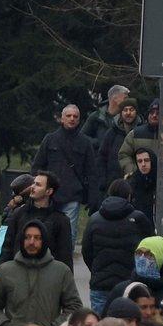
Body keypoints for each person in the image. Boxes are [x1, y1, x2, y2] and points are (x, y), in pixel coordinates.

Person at [0, 218, 83, 326]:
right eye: (27, 237)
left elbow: (75, 306)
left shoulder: (61, 271)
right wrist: (5, 325)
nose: (31, 242)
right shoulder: (6, 271)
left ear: (44, 241)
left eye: (37, 238)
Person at [34, 101, 102, 237]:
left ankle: (66, 252)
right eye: (69, 116)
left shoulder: (85, 142)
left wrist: (93, 197)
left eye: (75, 116)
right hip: (50, 194)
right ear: (62, 118)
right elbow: (37, 165)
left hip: (73, 195)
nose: (72, 119)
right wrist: (37, 187)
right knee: (46, 231)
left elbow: (92, 172)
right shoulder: (50, 139)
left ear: (79, 120)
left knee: (68, 234)